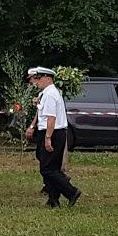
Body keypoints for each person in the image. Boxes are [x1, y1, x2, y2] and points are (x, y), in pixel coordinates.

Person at [25, 67, 81, 207]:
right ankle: (53, 200)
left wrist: (48, 138)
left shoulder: (50, 94)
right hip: (56, 132)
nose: (36, 82)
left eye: (39, 78)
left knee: (46, 169)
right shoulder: (48, 93)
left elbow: (51, 118)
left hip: (53, 132)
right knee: (53, 168)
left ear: (47, 78)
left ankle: (71, 191)